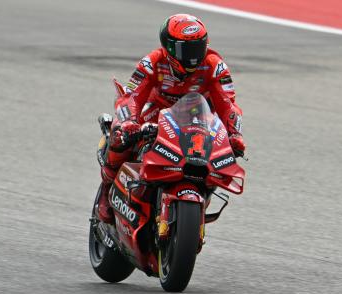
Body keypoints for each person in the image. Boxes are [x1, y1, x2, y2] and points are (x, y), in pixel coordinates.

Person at [97, 13, 246, 224]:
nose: (193, 56)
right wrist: (129, 122)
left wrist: (234, 134)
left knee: (217, 158)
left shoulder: (214, 65)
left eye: (198, 47)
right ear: (169, 48)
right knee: (121, 136)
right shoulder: (152, 62)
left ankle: (198, 203)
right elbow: (132, 96)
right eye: (186, 50)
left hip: (196, 118)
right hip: (156, 112)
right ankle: (107, 187)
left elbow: (228, 104)